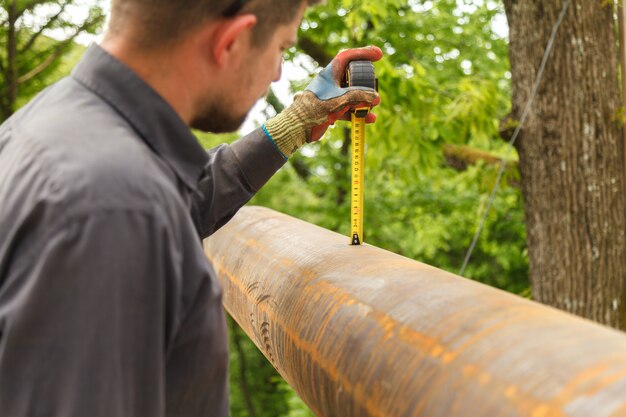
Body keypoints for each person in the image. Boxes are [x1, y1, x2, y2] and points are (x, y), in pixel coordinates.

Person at [0, 0, 381, 415]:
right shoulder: (113, 208)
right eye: (282, 49)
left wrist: (294, 123)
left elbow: (176, 200)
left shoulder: (56, 124)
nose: (276, 72)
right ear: (231, 41)